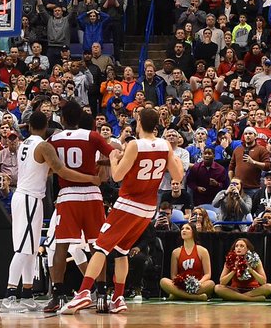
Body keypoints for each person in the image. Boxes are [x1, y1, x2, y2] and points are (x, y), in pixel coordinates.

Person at [61, 107, 182, 314]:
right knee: (121, 251)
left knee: (100, 247)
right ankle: (118, 298)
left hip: (129, 203)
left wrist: (116, 158)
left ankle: (82, 293)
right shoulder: (165, 145)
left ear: (139, 122)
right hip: (148, 208)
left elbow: (116, 176)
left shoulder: (135, 145)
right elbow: (178, 175)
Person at [0, 110, 101, 312]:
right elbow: (60, 169)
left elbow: (44, 170)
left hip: (27, 196)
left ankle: (27, 294)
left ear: (28, 127)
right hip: (29, 197)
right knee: (22, 248)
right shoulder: (44, 145)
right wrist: (90, 178)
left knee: (30, 248)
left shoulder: (23, 144)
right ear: (46, 126)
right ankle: (10, 295)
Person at [43, 101, 118, 313]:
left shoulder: (53, 139)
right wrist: (102, 166)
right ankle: (102, 294)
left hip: (68, 196)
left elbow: (49, 166)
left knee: (61, 247)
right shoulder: (92, 136)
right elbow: (113, 154)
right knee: (98, 246)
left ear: (63, 119)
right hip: (92, 195)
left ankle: (58, 295)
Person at [158, 223, 216, 301]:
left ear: (193, 233)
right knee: (163, 281)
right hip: (181, 286)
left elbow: (207, 274)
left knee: (211, 283)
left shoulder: (203, 251)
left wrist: (198, 283)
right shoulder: (176, 252)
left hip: (198, 285)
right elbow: (173, 275)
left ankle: (177, 295)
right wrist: (181, 284)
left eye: (187, 228)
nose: (184, 230)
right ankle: (195, 297)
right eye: (182, 229)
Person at [214, 237, 271, 302]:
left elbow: (263, 281)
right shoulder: (229, 260)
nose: (238, 248)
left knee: (269, 287)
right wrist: (234, 269)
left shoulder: (255, 260)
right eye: (236, 246)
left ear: (247, 249)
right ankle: (250, 299)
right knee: (217, 288)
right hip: (235, 289)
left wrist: (251, 269)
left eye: (242, 246)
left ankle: (233, 297)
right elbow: (222, 282)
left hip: (253, 289)